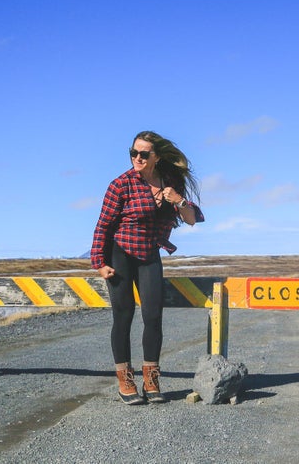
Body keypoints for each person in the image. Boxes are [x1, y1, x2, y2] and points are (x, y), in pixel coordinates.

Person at [90, 130, 204, 405]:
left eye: (143, 154)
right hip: (120, 254)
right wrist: (99, 263)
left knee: (153, 317)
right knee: (124, 315)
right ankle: (125, 380)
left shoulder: (170, 182)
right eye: (133, 153)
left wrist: (177, 199)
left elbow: (191, 219)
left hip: (149, 254)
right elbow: (103, 226)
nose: (137, 158)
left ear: (157, 156)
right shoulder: (121, 184)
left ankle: (151, 379)